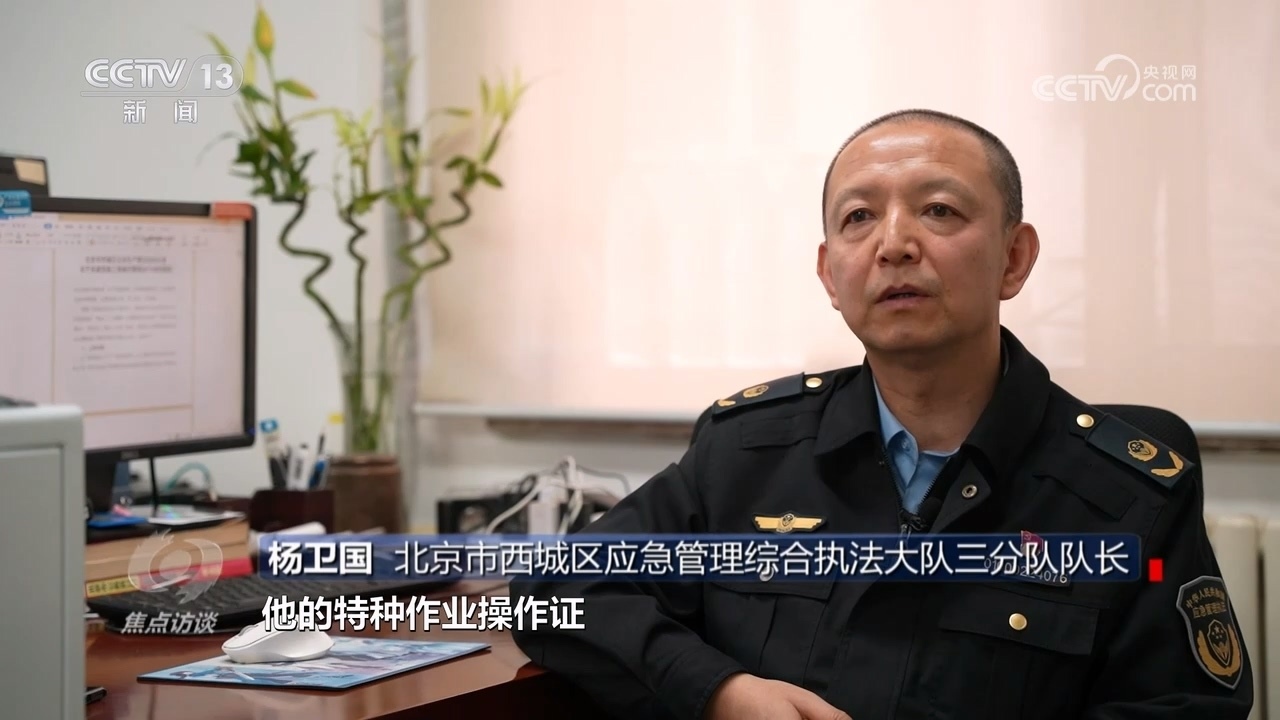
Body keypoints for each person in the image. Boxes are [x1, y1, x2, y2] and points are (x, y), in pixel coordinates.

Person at [508, 109, 1254, 719]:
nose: (894, 244)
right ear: (830, 275)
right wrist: (718, 692)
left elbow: (1182, 708)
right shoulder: (747, 452)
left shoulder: (1127, 492)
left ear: (1014, 259)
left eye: (939, 210)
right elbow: (556, 591)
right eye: (859, 217)